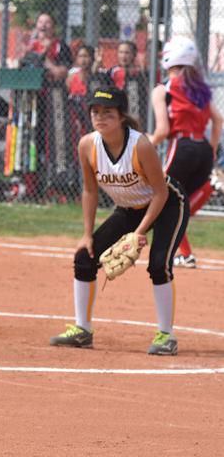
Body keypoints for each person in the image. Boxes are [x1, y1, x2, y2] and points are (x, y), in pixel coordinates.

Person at [50, 87, 188, 355]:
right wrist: (87, 234)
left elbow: (160, 193)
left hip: (167, 205)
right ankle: (82, 330)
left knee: (159, 265)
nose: (100, 117)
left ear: (122, 116)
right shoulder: (87, 145)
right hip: (127, 208)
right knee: (84, 258)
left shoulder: (140, 145)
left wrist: (138, 232)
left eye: (108, 113)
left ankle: (166, 336)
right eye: (95, 112)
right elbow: (89, 190)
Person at [149, 36, 223, 268]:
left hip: (182, 146)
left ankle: (175, 253)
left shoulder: (164, 89)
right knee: (180, 204)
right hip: (202, 148)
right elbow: (218, 119)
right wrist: (211, 150)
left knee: (162, 199)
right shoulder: (200, 88)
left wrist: (144, 143)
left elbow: (162, 131)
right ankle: (186, 254)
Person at [20, 13, 73, 201]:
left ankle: (54, 188)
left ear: (54, 27)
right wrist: (28, 52)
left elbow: (61, 73)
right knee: (29, 143)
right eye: (40, 22)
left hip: (54, 103)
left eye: (47, 22)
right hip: (31, 102)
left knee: (52, 144)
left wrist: (44, 57)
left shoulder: (61, 47)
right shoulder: (29, 46)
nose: (43, 26)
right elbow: (20, 71)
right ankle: (28, 187)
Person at [107, 41, 151, 130]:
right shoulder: (113, 71)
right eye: (121, 52)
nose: (123, 56)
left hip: (135, 112)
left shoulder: (140, 73)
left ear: (134, 55)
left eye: (127, 53)